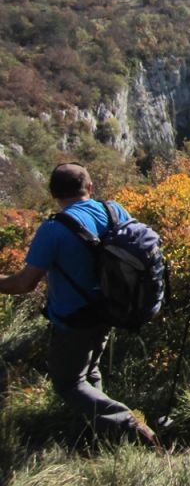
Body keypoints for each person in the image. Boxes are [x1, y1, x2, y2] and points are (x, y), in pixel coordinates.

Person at [0, 162, 162, 453]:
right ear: (89, 188)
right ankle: (94, 436)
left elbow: (24, 283)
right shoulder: (114, 210)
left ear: (54, 194)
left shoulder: (52, 229)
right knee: (89, 371)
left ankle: (127, 424)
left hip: (74, 319)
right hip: (111, 310)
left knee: (68, 382)